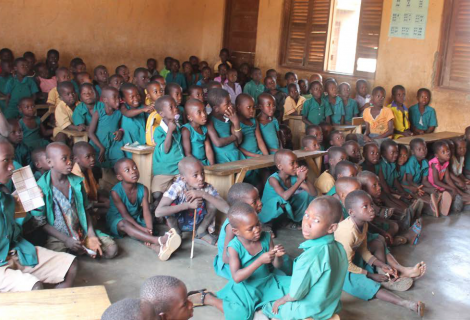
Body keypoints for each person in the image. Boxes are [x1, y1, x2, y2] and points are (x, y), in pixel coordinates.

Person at [188, 202, 289, 320]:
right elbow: (236, 277)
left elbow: (277, 265)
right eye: (250, 228)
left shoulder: (266, 237)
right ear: (236, 231)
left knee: (296, 287)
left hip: (267, 281)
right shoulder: (234, 247)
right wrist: (260, 261)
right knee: (241, 315)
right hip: (246, 287)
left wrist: (278, 256)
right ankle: (210, 299)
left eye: (258, 224)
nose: (257, 230)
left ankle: (262, 307)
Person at [0, 140, 78, 292]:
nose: (11, 167)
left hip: (15, 252)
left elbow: (15, 231)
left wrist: (29, 206)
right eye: (5, 160)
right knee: (34, 286)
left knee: (70, 265)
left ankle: (56, 302)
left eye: (12, 159)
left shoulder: (5, 197)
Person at [335, 190, 426, 317]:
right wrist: (370, 275)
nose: (371, 209)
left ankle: (384, 275)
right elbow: (347, 264)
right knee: (370, 286)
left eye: (371, 205)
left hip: (352, 257)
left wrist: (381, 264)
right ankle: (407, 304)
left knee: (378, 241)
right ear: (351, 212)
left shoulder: (363, 224)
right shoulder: (348, 233)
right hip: (341, 268)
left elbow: (363, 249)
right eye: (365, 206)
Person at [263, 197, 347, 320]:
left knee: (268, 307)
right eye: (306, 215)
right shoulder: (339, 248)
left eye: (316, 220)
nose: (306, 223)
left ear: (332, 228)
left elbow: (296, 294)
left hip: (310, 310)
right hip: (328, 306)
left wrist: (282, 300)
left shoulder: (311, 256)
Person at [33, 143, 118, 259]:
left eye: (71, 158)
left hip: (80, 229)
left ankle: (79, 248)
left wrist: (91, 235)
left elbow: (85, 210)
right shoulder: (40, 188)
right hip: (58, 236)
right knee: (60, 263)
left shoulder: (76, 182)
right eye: (64, 159)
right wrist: (66, 240)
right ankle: (76, 250)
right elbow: (41, 223)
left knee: (111, 250)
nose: (70, 162)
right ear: (49, 162)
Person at [107, 158, 181, 260]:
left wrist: (149, 228)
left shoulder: (143, 189)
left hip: (136, 217)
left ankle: (158, 248)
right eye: (127, 170)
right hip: (118, 219)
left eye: (134, 167)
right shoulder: (115, 192)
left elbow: (146, 211)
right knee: (126, 225)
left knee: (145, 230)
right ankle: (158, 240)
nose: (133, 171)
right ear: (119, 177)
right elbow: (125, 215)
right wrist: (142, 228)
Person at [155, 157, 229, 246]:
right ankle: (177, 234)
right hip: (179, 223)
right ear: (183, 178)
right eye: (195, 175)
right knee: (169, 206)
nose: (201, 178)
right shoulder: (177, 187)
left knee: (213, 203)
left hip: (198, 222)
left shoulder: (206, 187)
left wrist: (203, 194)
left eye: (202, 173)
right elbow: (158, 212)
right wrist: (187, 205)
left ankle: (201, 232)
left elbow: (226, 209)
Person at [214, 182, 263, 279]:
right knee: (258, 275)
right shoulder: (231, 227)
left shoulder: (250, 219)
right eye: (254, 201)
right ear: (241, 207)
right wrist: (253, 261)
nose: (260, 203)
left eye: (258, 198)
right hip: (230, 264)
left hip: (242, 253)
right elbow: (225, 257)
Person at [259, 150, 317, 228]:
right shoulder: (273, 179)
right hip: (267, 211)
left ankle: (288, 221)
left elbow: (313, 193)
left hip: (282, 208)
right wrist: (300, 180)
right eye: (292, 163)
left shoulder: (293, 178)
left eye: (296, 162)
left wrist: (305, 178)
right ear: (280, 167)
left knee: (305, 194)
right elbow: (285, 196)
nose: (296, 165)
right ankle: (268, 224)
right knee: (281, 200)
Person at [403, 138, 452, 217]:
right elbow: (409, 180)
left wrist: (433, 188)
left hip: (420, 184)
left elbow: (425, 181)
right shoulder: (411, 161)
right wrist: (418, 188)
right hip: (410, 186)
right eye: (419, 149)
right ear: (412, 152)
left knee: (433, 191)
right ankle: (433, 208)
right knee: (422, 196)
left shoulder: (425, 162)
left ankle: (438, 203)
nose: (423, 151)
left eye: (425, 148)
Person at [150, 96, 184, 208]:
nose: (176, 109)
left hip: (178, 168)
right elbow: (166, 149)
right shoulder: (158, 131)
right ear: (162, 114)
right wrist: (169, 131)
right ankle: (157, 209)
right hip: (163, 170)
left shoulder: (179, 126)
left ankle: (166, 212)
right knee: (156, 194)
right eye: (171, 107)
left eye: (176, 106)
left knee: (179, 192)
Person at [88, 86, 125, 169]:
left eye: (118, 97)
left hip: (112, 145)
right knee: (97, 165)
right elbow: (90, 133)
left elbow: (120, 127)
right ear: (105, 100)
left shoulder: (118, 113)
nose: (118, 100)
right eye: (114, 97)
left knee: (118, 161)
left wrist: (120, 131)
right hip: (97, 145)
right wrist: (101, 147)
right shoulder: (98, 113)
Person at [429, 141, 470, 211]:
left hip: (443, 183)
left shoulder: (446, 161)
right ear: (437, 155)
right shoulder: (434, 163)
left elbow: (448, 178)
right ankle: (450, 204)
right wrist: (452, 189)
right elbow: (436, 182)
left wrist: (456, 189)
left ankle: (463, 198)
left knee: (457, 190)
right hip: (434, 185)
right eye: (443, 152)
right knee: (452, 194)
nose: (448, 153)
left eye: (448, 150)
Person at [206, 88, 244, 164]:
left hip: (236, 155)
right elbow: (218, 143)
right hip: (223, 158)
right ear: (216, 108)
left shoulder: (230, 117)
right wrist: (234, 137)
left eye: (230, 102)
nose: (231, 106)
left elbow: (239, 141)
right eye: (227, 104)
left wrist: (236, 122)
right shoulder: (209, 121)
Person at [71, 142, 109, 217]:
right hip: (82, 209)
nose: (92, 159)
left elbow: (94, 193)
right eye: (87, 157)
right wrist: (104, 204)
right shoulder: (74, 176)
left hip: (92, 203)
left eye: (93, 155)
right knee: (113, 211)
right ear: (76, 159)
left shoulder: (88, 169)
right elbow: (82, 202)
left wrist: (106, 201)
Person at [120, 83, 153, 157]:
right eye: (132, 97)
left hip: (142, 143)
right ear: (124, 99)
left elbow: (149, 109)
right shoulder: (124, 107)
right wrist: (142, 110)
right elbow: (128, 114)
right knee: (132, 158)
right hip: (129, 144)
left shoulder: (141, 106)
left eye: (137, 95)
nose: (136, 98)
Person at [181, 99, 215, 165]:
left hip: (205, 163)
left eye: (204, 111)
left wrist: (212, 165)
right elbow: (188, 154)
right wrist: (199, 166)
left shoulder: (204, 129)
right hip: (194, 165)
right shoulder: (186, 130)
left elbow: (208, 149)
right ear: (190, 117)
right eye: (199, 112)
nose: (204, 115)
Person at [236, 94, 269, 158]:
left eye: (253, 107)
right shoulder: (235, 124)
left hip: (258, 154)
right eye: (248, 107)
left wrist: (267, 156)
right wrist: (254, 155)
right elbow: (237, 146)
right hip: (245, 157)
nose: (252, 110)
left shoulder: (254, 121)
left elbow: (260, 140)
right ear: (239, 107)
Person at [144, 81, 165, 146]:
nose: (159, 94)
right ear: (148, 95)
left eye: (161, 91)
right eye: (155, 92)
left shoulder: (165, 106)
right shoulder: (150, 109)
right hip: (153, 141)